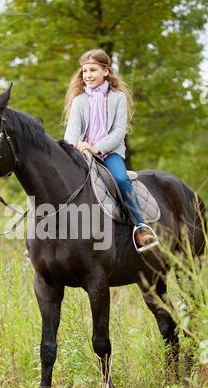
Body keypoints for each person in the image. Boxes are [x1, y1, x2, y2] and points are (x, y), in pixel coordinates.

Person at [63, 49, 159, 252]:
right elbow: (72, 131)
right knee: (59, 179)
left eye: (93, 70)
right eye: (85, 71)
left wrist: (96, 147)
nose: (87, 75)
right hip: (82, 153)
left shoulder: (118, 98)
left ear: (105, 71)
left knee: (122, 179)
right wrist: (73, 148)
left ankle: (140, 226)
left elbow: (118, 132)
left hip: (109, 153)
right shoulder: (80, 101)